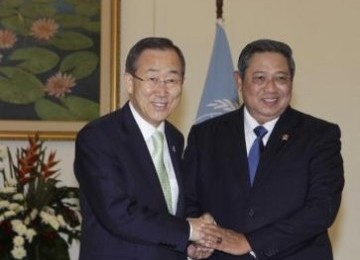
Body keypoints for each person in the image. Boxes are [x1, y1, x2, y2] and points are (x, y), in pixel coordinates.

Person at [183, 39, 344, 259]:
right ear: (239, 81)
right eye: (260, 78)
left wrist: (249, 242)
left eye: (280, 78)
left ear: (291, 83)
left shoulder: (319, 135)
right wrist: (198, 239)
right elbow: (188, 203)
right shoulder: (205, 136)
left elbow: (321, 209)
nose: (271, 88)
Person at [74, 37, 216, 260]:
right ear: (130, 83)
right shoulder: (98, 137)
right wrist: (189, 230)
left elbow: (168, 212)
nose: (162, 91)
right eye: (152, 78)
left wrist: (189, 245)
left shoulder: (175, 138)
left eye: (171, 80)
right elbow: (118, 213)